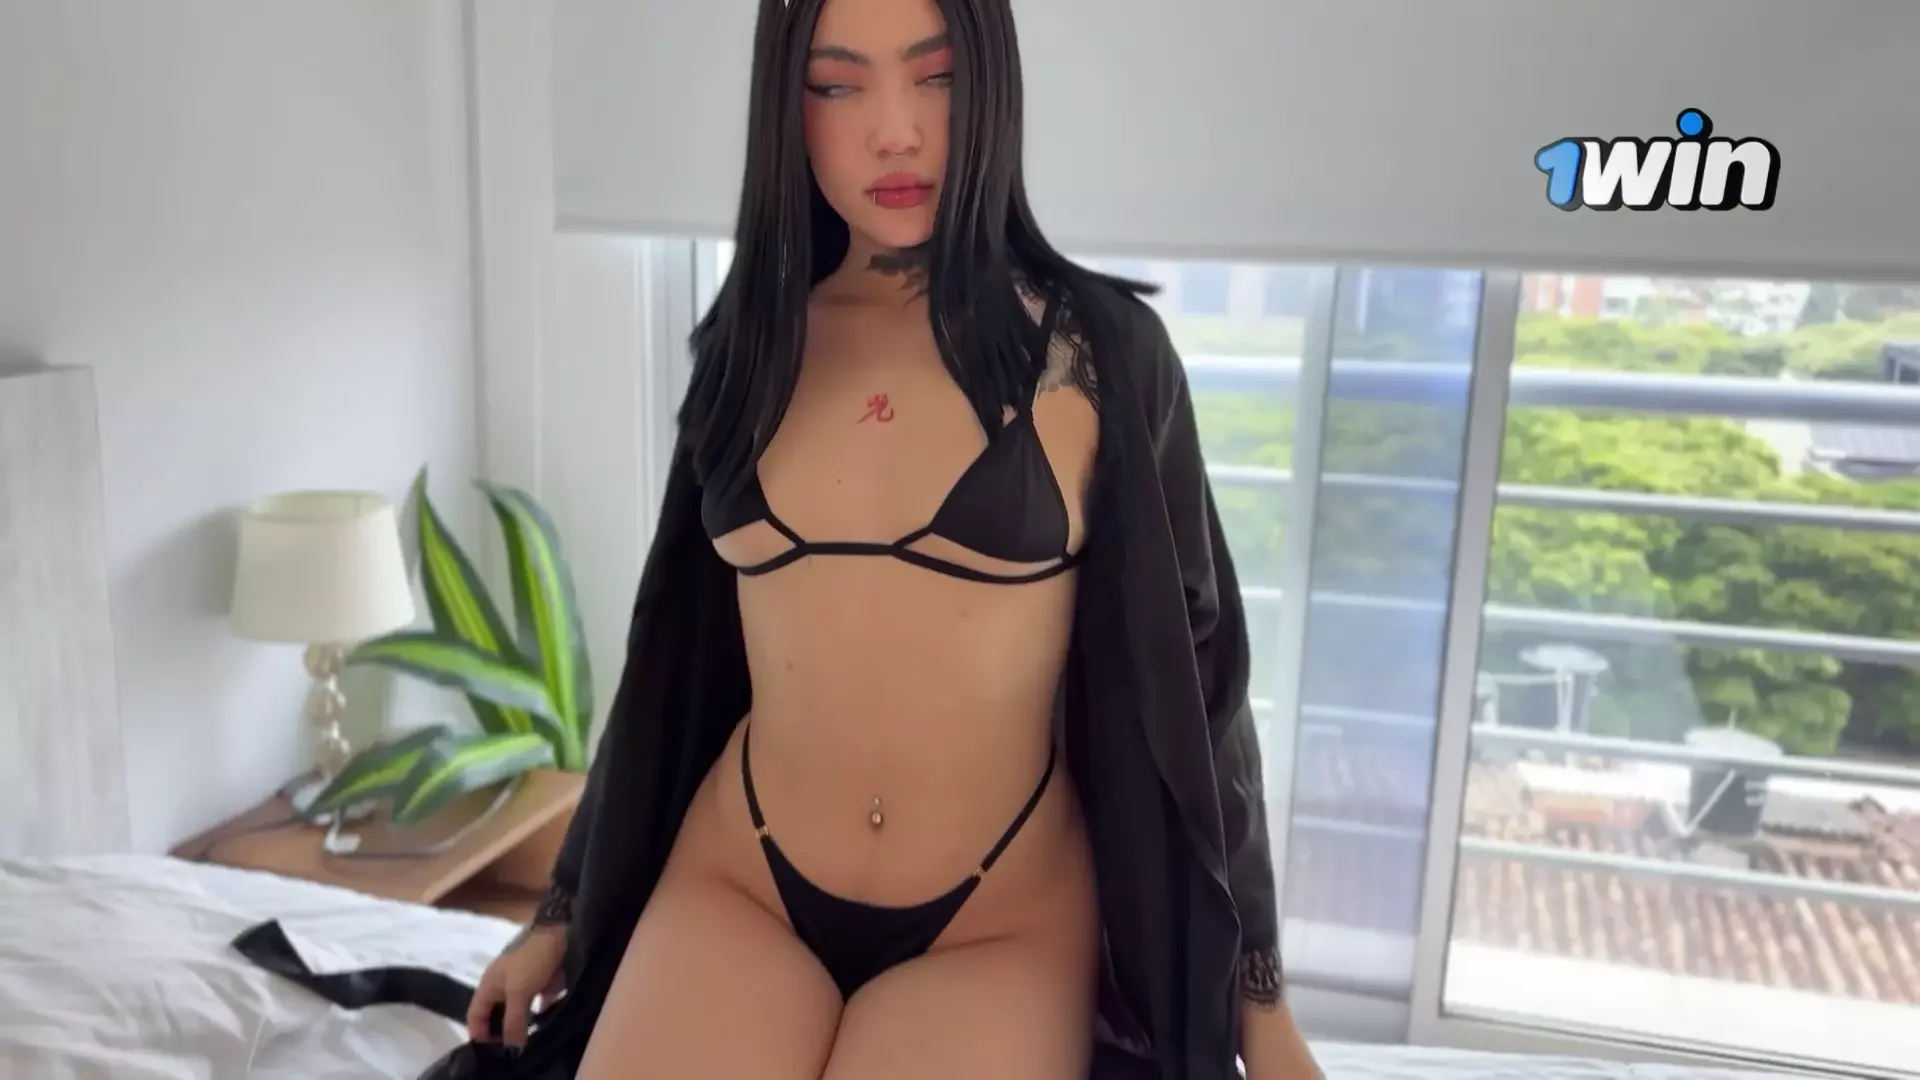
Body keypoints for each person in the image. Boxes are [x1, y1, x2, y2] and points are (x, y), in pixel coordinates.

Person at [460, 0, 1322, 1077]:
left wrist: (1261, 1001)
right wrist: (561, 907)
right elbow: (665, 657)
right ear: (788, 106)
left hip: (999, 915)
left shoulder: (1103, 354)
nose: (896, 131)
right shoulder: (747, 346)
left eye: (936, 76)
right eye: (837, 84)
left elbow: (1205, 685)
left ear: (990, 83)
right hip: (743, 877)